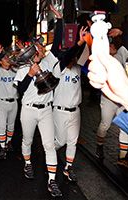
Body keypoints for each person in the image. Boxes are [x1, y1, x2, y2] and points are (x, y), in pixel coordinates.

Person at [14, 5, 63, 197]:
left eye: (43, 46)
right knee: (27, 140)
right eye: (38, 46)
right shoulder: (23, 66)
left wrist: (59, 21)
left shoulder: (50, 60)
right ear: (32, 50)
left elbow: (58, 44)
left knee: (49, 145)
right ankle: (27, 164)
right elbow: (21, 90)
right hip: (28, 110)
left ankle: (52, 181)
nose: (42, 48)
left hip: (46, 110)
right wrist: (29, 74)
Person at [52, 26, 87, 182]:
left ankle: (68, 168)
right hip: (60, 111)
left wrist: (89, 39)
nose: (71, 58)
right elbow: (67, 57)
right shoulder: (58, 69)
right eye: (68, 56)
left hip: (75, 111)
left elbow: (85, 56)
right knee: (60, 141)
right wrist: (78, 42)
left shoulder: (77, 69)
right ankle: (49, 153)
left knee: (73, 141)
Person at [92, 27, 128, 167]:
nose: (112, 45)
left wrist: (122, 33)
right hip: (107, 98)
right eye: (110, 44)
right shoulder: (102, 60)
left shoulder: (120, 55)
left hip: (121, 97)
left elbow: (127, 44)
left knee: (124, 126)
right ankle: (99, 146)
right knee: (105, 124)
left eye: (113, 44)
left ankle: (122, 157)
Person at [0, 42, 18, 159]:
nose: (7, 59)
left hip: (14, 102)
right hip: (2, 102)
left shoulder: (15, 71)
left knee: (11, 125)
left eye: (7, 57)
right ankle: (3, 147)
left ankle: (8, 141)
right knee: (2, 126)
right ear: (0, 62)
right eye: (4, 58)